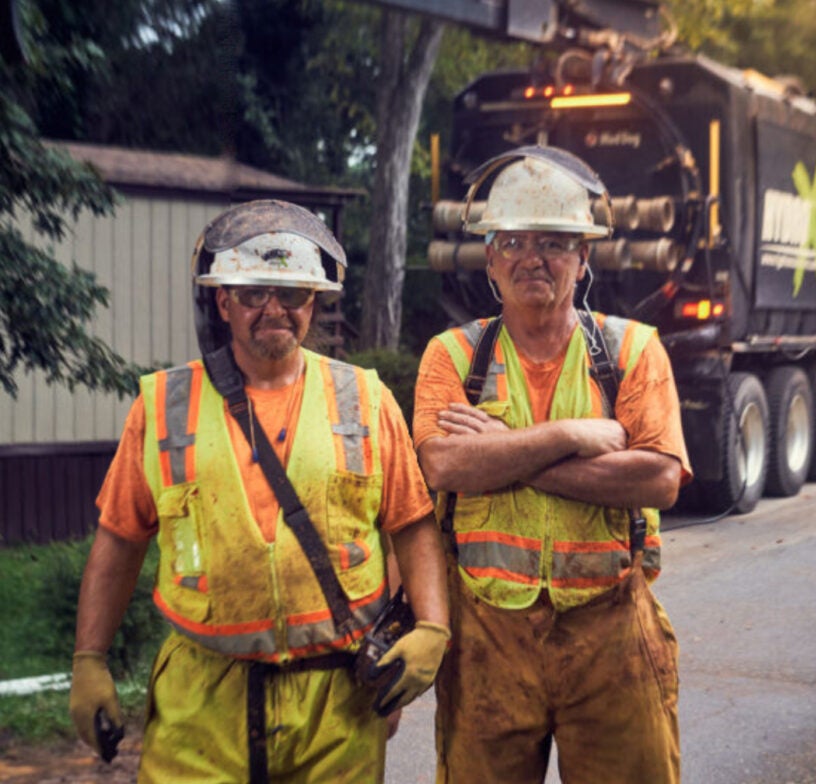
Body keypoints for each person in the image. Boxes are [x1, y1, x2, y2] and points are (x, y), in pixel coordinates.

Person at [69, 199, 449, 783]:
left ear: (313, 301)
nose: (274, 309)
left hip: (337, 701)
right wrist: (89, 658)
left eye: (292, 293)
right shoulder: (165, 406)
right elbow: (120, 539)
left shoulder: (364, 398)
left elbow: (412, 523)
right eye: (252, 293)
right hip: (201, 698)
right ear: (223, 301)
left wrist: (431, 628)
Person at [413, 146, 692, 783]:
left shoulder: (631, 350)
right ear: (490, 259)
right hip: (487, 638)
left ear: (583, 256)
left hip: (612, 632)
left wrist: (504, 451)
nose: (531, 257)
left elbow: (660, 478)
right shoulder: (452, 355)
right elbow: (443, 465)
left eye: (555, 242)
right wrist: (568, 434)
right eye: (512, 241)